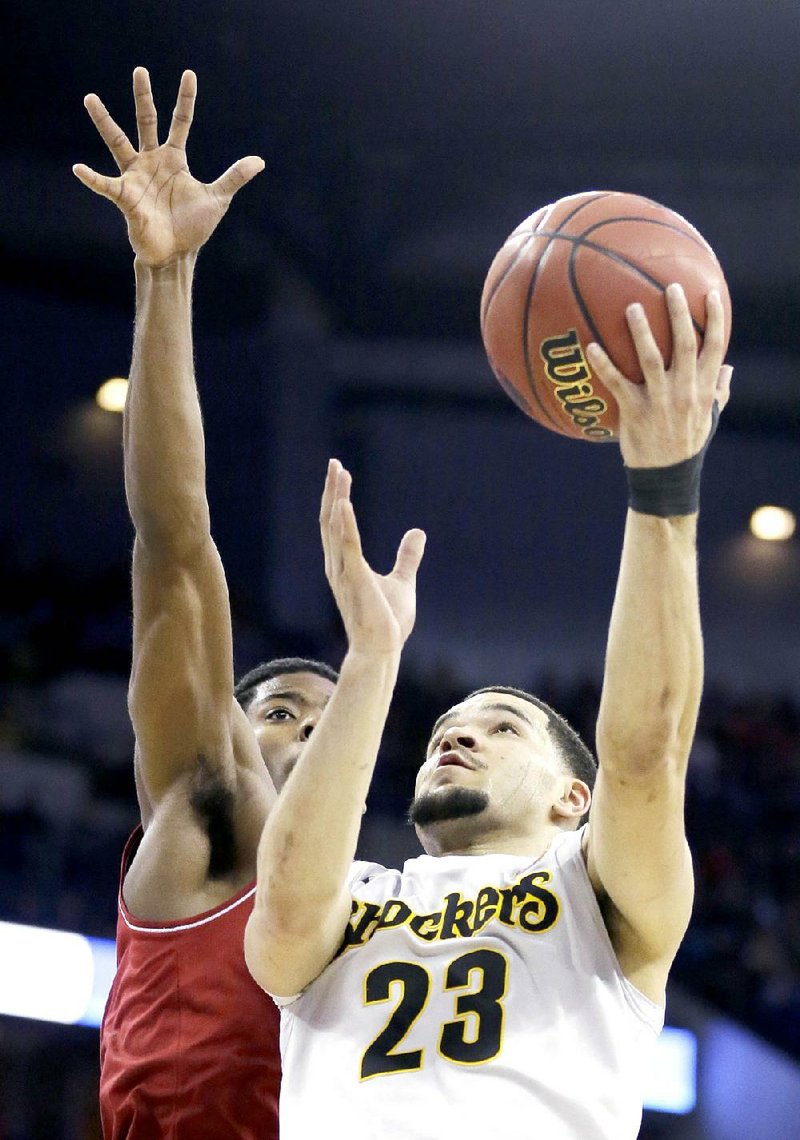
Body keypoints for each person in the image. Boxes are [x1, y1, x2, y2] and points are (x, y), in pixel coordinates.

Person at [244, 287, 733, 1139]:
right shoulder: (351, 894)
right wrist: (371, 661)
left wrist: (663, 484)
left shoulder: (599, 898)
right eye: (443, 732)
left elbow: (646, 751)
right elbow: (281, 912)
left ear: (572, 799)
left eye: (504, 727)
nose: (457, 734)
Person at [74, 68, 338, 1139]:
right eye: (278, 709)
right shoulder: (209, 798)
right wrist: (168, 278)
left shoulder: (371, 914)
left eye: (330, 725)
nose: (304, 736)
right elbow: (176, 542)